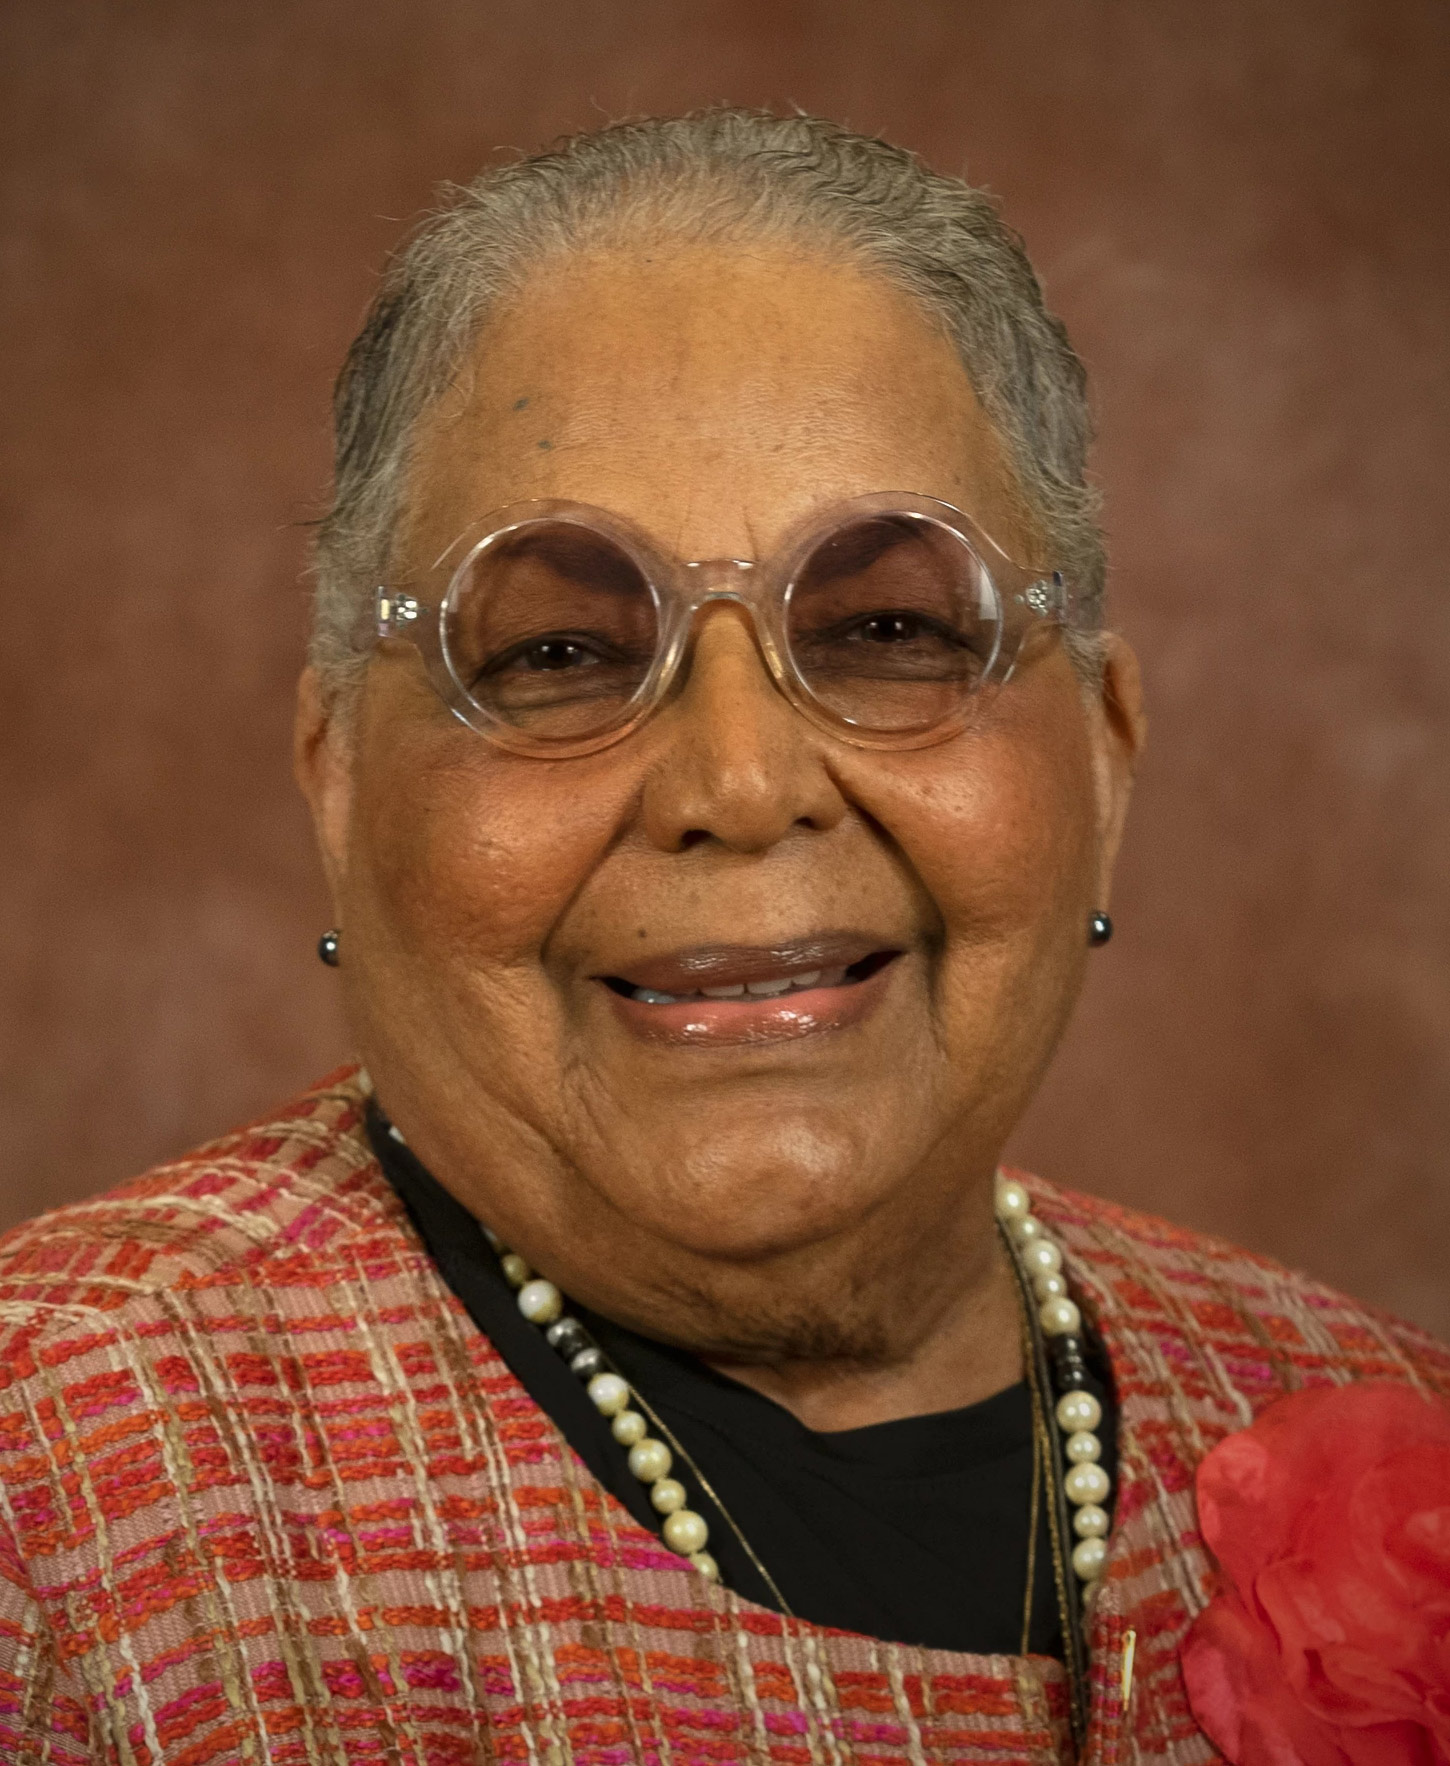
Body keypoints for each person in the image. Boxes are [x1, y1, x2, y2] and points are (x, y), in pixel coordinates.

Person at [1, 110, 1445, 1766]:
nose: (741, 784)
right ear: (338, 781)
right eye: (551, 652)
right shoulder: (57, 1498)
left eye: (893, 628)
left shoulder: (1369, 1410)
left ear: (1104, 756)